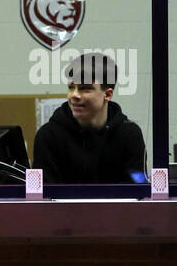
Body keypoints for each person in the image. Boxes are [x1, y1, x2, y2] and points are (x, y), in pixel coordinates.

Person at [33, 51, 146, 183]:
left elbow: (136, 192)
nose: (74, 95)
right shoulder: (48, 136)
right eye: (71, 87)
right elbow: (45, 199)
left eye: (85, 88)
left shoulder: (129, 135)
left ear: (108, 94)